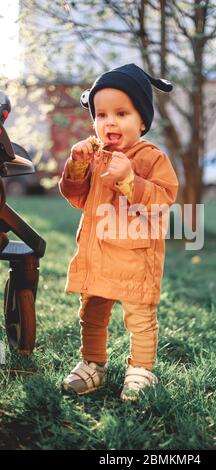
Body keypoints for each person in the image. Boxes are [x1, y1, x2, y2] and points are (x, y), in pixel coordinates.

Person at [58, 63, 179, 401]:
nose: (109, 121)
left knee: (139, 317)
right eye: (101, 114)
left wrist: (129, 179)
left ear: (142, 120)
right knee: (92, 313)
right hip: (97, 254)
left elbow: (162, 200)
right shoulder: (95, 156)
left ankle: (140, 370)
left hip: (135, 258)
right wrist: (77, 165)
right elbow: (75, 196)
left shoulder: (151, 158)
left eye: (122, 113)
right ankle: (92, 365)